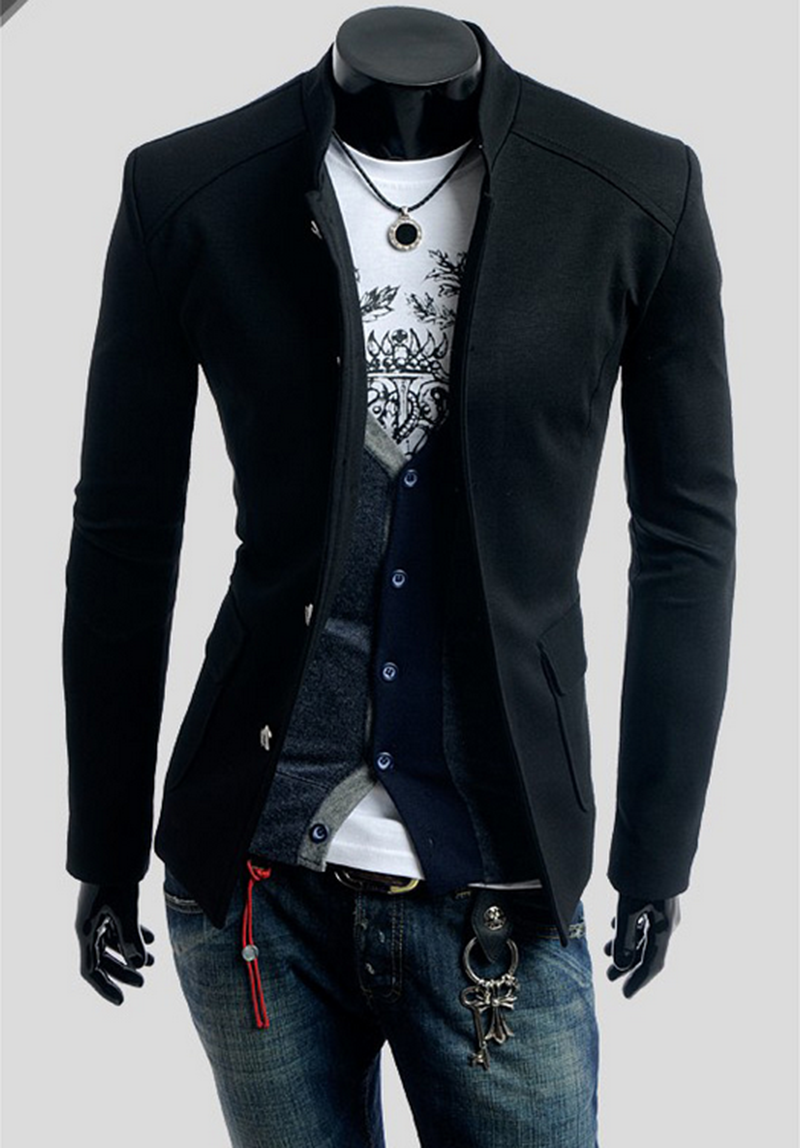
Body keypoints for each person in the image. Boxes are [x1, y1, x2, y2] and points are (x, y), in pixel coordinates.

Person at [68, 8, 735, 1146]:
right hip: (252, 887)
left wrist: (653, 849)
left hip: (503, 886)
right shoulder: (187, 187)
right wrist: (106, 839)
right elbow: (124, 531)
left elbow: (686, 534)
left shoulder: (631, 189)